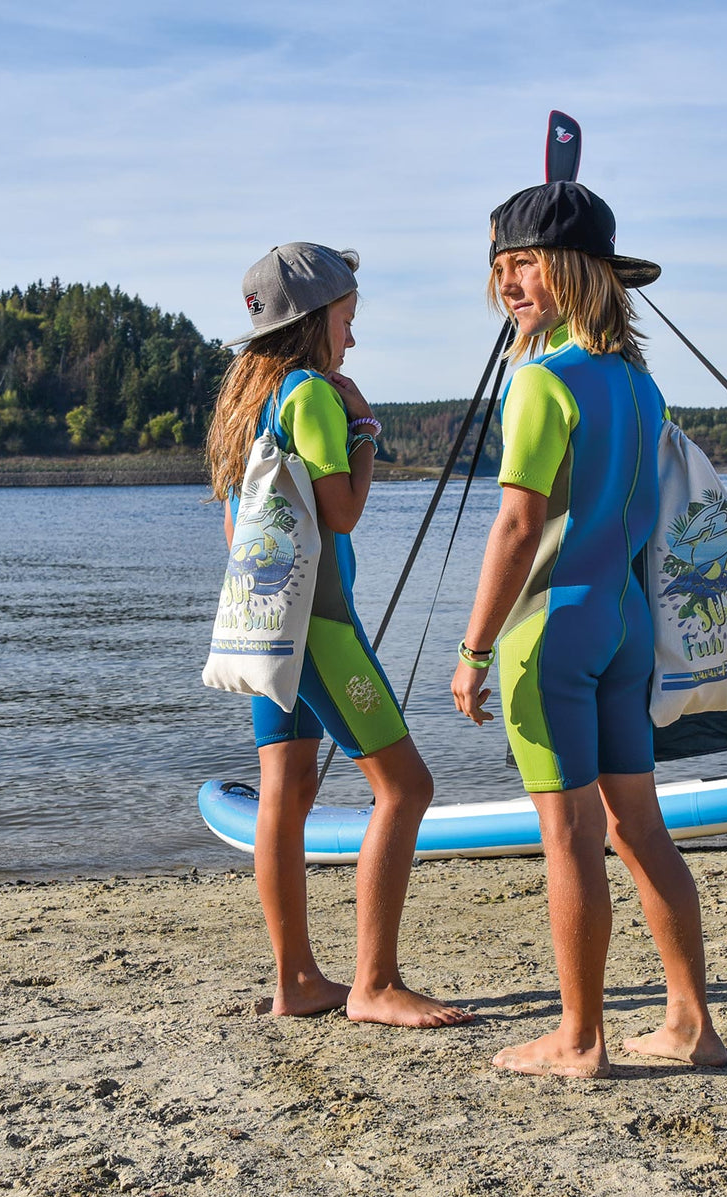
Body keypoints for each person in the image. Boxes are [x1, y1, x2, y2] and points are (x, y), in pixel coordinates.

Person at [450, 184, 727, 1076]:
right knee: (638, 828)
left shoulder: (540, 382)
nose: (510, 284)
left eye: (526, 263)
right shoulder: (640, 384)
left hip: (553, 629)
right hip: (628, 626)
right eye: (500, 268)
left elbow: (518, 528)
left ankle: (579, 1039)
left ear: (573, 271)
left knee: (570, 836)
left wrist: (474, 648)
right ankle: (692, 1025)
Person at [208, 242, 471, 1028]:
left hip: (264, 629)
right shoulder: (314, 396)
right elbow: (344, 512)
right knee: (407, 787)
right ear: (314, 320)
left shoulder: (241, 406)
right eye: (347, 322)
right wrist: (364, 429)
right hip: (321, 626)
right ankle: (374, 984)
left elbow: (236, 532)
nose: (351, 340)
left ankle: (296, 981)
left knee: (286, 794)